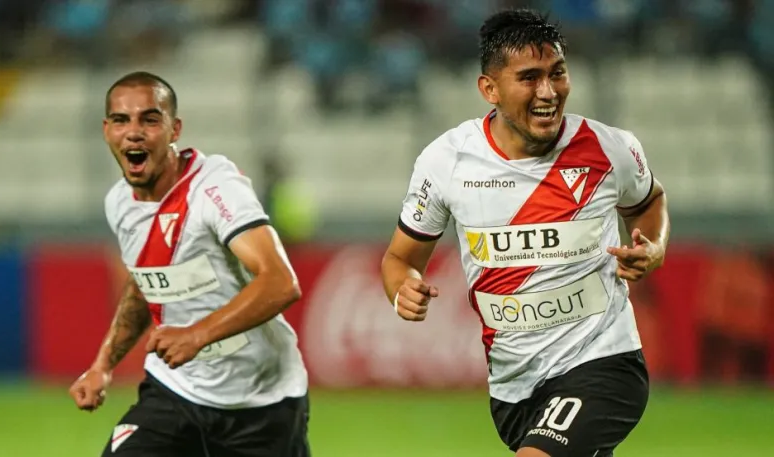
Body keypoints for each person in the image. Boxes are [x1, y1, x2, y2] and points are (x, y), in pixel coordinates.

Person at [380, 9, 669, 457]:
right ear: (489, 89)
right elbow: (399, 260)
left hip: (602, 362)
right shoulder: (446, 162)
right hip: (513, 388)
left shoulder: (609, 148)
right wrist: (403, 290)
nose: (549, 92)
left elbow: (649, 202)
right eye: (530, 78)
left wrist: (652, 245)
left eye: (557, 73)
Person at [68, 71, 310, 457]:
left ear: (174, 128)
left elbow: (281, 282)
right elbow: (144, 285)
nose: (134, 132)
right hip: (175, 392)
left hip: (262, 403)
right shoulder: (119, 202)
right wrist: (103, 364)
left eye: (149, 119)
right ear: (106, 130)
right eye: (121, 120)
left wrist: (197, 334)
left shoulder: (215, 190)